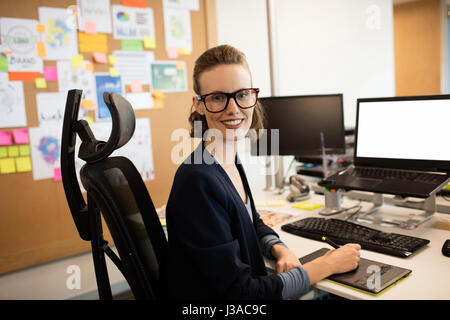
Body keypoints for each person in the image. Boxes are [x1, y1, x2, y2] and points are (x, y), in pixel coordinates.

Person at [166, 44, 361, 300]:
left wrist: (279, 248)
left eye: (242, 94)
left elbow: (251, 221)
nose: (234, 108)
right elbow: (241, 295)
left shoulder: (226, 159)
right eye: (217, 97)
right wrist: (327, 265)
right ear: (199, 105)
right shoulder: (198, 181)